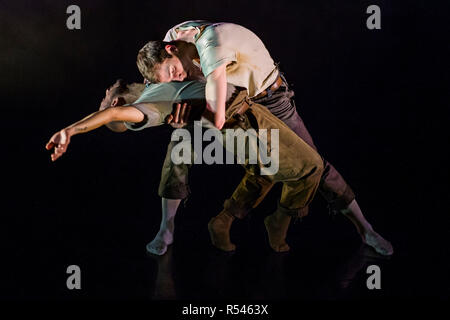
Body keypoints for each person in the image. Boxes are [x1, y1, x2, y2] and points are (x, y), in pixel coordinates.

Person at [136, 21, 394, 256]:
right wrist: (168, 114)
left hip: (268, 99)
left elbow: (215, 119)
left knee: (315, 165)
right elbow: (158, 88)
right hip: (231, 102)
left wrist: (187, 114)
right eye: (169, 79)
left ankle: (366, 229)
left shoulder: (211, 43)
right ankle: (165, 228)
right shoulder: (171, 44)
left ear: (171, 49)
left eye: (173, 72)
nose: (177, 79)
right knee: (180, 146)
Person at [46, 79, 324, 252]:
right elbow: (113, 114)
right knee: (307, 167)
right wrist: (71, 130)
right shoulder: (144, 108)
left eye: (103, 101)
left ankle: (223, 221)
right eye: (103, 101)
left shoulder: (152, 79)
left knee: (264, 170)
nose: (104, 94)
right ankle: (276, 221)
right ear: (117, 102)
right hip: (232, 120)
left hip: (229, 111)